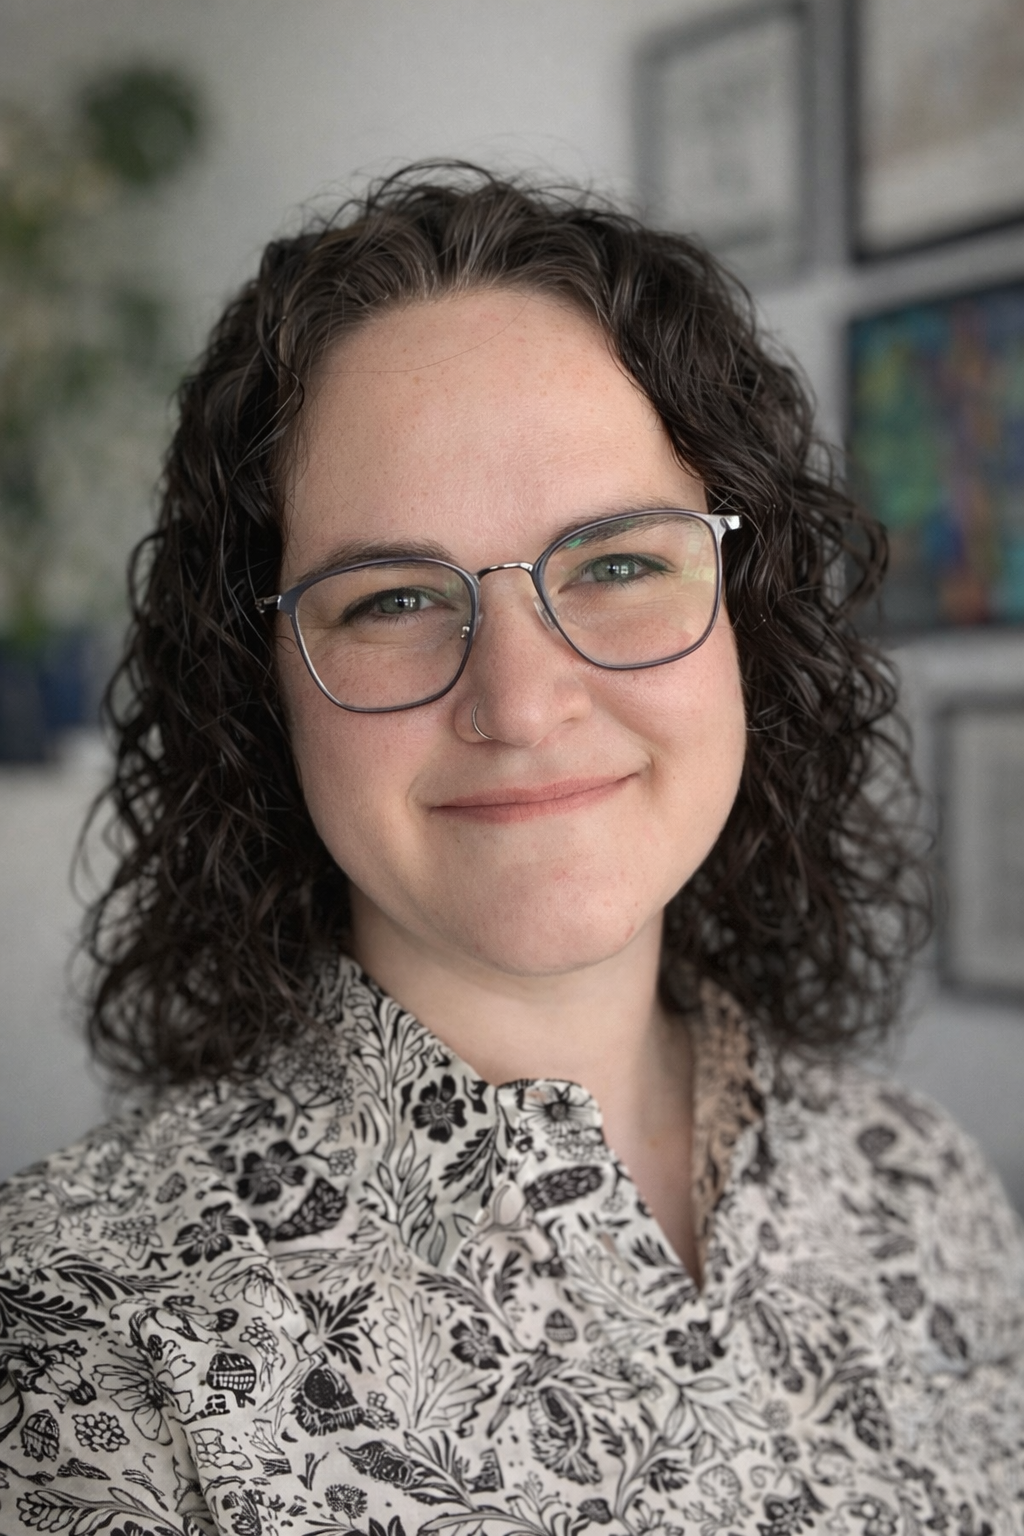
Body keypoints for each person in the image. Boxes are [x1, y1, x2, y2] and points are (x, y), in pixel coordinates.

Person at [1, 165, 1021, 1536]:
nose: (524, 701)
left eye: (614, 562)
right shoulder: (84, 1329)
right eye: (396, 598)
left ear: (748, 616)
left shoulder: (924, 1186)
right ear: (262, 688)